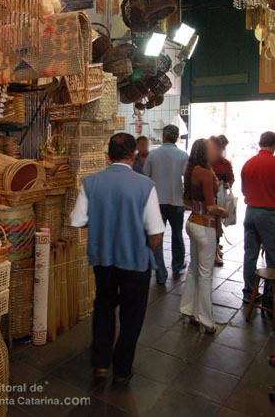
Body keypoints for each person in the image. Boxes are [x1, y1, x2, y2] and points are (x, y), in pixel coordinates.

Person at [71, 133, 164, 384]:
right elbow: (155, 232)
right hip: (136, 261)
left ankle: (100, 364)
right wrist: (147, 251)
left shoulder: (91, 183)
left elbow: (77, 220)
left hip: (103, 260)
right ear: (133, 155)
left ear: (107, 156)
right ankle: (122, 368)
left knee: (103, 307)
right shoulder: (145, 185)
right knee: (132, 316)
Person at [180, 139, 229, 333]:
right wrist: (224, 212)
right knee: (206, 273)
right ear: (204, 152)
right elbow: (211, 206)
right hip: (205, 225)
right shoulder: (206, 173)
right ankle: (207, 320)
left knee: (193, 268)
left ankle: (188, 309)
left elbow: (188, 199)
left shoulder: (191, 170)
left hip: (192, 221)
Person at [143, 124, 189, 284]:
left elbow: (145, 177)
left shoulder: (153, 155)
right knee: (177, 234)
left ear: (163, 136)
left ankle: (160, 273)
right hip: (176, 201)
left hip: (156, 202)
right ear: (176, 137)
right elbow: (187, 177)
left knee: (157, 237)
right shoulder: (183, 155)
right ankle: (177, 266)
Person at [241, 131, 275, 304]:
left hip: (250, 211)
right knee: (272, 254)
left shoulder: (248, 163)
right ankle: (269, 296)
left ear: (260, 143)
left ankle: (248, 293)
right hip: (268, 213)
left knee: (250, 254)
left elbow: (244, 190)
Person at [209, 135, 235, 267]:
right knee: (212, 224)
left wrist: (227, 184)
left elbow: (231, 178)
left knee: (217, 224)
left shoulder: (225, 163)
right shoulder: (206, 163)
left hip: (220, 197)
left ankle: (215, 249)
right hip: (208, 198)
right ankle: (214, 251)